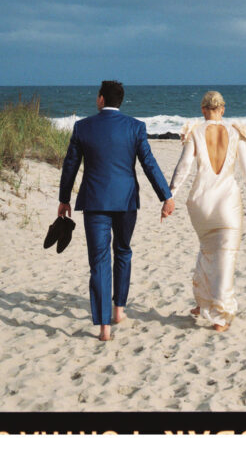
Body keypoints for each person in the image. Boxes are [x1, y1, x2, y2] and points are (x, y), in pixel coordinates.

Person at [57, 80, 175, 341]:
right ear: (119, 101)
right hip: (125, 201)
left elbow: (70, 165)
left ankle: (104, 328)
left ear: (101, 99)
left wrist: (64, 199)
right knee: (122, 251)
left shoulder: (83, 127)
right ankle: (119, 310)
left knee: (99, 261)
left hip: (95, 202)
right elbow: (149, 164)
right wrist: (165, 196)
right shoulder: (135, 127)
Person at [168, 90, 246, 332]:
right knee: (225, 258)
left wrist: (168, 196)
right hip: (227, 204)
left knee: (207, 249)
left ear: (203, 110)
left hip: (201, 203)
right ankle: (221, 316)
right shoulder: (235, 131)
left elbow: (183, 168)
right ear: (223, 109)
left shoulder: (194, 131)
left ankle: (202, 301)